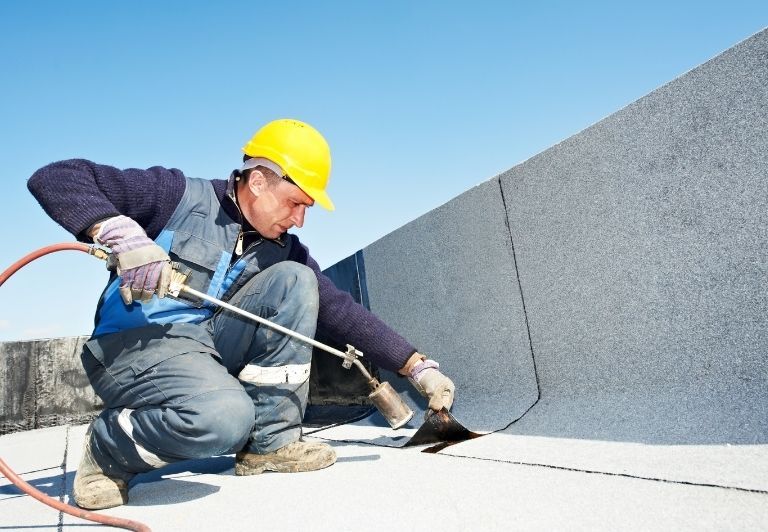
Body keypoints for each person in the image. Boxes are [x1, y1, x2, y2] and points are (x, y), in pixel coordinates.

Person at [28, 119, 456, 510]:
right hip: (135, 345)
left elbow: (341, 312)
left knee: (296, 281)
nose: (300, 220)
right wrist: (119, 233)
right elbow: (56, 177)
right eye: (295, 203)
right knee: (224, 420)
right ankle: (108, 447)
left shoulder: (281, 248)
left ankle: (269, 444)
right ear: (257, 181)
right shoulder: (176, 195)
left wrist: (417, 367)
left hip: (204, 346)